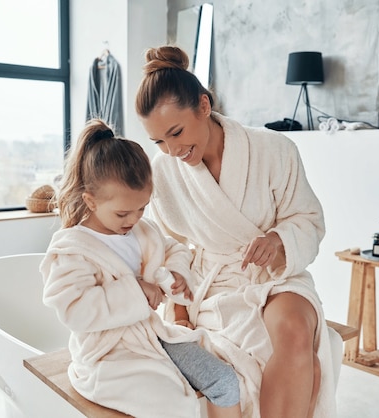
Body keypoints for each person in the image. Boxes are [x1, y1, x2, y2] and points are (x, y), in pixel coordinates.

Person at [135, 46, 337, 418]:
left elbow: (308, 218)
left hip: (275, 276)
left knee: (295, 332)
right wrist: (179, 314)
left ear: (204, 105)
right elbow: (167, 248)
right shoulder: (163, 171)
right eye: (160, 141)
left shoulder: (274, 149)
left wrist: (278, 241)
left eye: (177, 132)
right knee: (300, 366)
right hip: (210, 283)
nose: (173, 149)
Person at [40, 119, 242, 418]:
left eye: (142, 208)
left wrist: (176, 275)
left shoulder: (141, 231)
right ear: (90, 201)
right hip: (106, 353)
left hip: (152, 335)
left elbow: (174, 249)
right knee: (174, 404)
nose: (133, 219)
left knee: (225, 381)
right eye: (123, 212)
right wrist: (135, 289)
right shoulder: (72, 249)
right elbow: (74, 310)